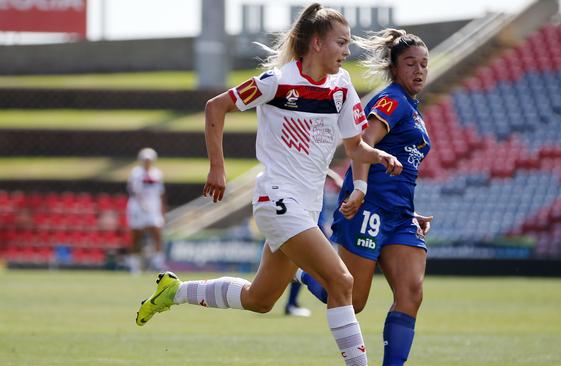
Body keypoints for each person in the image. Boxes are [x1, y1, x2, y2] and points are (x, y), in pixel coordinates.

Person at [135, 4, 403, 366]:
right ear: (317, 42)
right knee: (342, 281)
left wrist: (379, 157)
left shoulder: (342, 89)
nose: (346, 50)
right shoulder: (276, 81)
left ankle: (174, 292)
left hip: (305, 206)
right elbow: (216, 107)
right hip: (277, 198)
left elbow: (355, 147)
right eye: (341, 42)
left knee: (259, 300)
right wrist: (218, 168)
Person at [297, 29, 433, 366]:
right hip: (369, 207)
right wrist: (362, 190)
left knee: (411, 293)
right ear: (394, 67)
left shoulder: (412, 108)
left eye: (424, 64)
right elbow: (361, 147)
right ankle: (302, 268)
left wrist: (410, 213)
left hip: (400, 215)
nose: (418, 70)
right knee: (352, 300)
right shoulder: (392, 100)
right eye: (410, 63)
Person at [284, 169, 343, 317]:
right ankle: (292, 300)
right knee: (333, 273)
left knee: (334, 275)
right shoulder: (305, 165)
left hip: (314, 222)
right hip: (310, 223)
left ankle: (292, 301)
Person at [125, 147, 166, 274]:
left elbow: (160, 193)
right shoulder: (136, 174)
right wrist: (141, 204)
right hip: (138, 208)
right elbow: (133, 191)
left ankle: (158, 263)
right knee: (136, 236)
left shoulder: (157, 174)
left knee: (157, 233)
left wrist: (162, 209)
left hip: (153, 209)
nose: (147, 162)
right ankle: (134, 265)